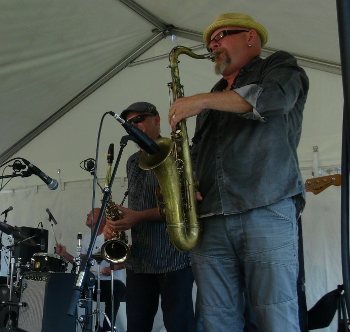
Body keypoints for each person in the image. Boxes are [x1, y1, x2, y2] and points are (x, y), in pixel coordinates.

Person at [168, 13, 309, 331]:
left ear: (250, 37)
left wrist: (201, 101)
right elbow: (199, 154)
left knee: (275, 313)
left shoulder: (279, 65)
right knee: (216, 319)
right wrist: (183, 184)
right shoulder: (214, 95)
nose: (213, 44)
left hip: (265, 207)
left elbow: (275, 99)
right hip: (210, 220)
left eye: (221, 36)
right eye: (209, 42)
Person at [104, 101, 196, 332]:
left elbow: (184, 206)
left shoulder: (179, 153)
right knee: (136, 325)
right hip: (140, 259)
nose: (133, 125)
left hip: (174, 257)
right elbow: (135, 206)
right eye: (129, 123)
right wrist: (114, 223)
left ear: (156, 120)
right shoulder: (132, 161)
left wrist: (137, 217)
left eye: (139, 119)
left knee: (178, 325)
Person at [56, 213, 126, 332]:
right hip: (91, 280)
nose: (87, 215)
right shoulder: (87, 237)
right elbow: (81, 262)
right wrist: (64, 255)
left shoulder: (112, 235)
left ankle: (107, 329)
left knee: (115, 288)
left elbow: (126, 260)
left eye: (92, 213)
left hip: (110, 281)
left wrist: (112, 268)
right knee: (67, 287)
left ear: (102, 218)